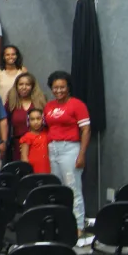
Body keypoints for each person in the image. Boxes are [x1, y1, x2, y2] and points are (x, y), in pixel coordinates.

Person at [44, 71, 91, 234]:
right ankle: (63, 223)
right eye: (55, 87)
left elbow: (86, 130)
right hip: (53, 149)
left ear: (68, 87)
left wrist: (82, 154)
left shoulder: (77, 105)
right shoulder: (49, 106)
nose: (58, 90)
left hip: (70, 149)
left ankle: (78, 226)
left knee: (72, 188)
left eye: (62, 87)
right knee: (58, 189)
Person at [5, 72, 47, 161]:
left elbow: (46, 124)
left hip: (38, 144)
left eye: (27, 84)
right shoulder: (11, 103)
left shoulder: (41, 102)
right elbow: (4, 123)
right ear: (16, 86)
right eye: (21, 84)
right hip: (18, 145)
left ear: (33, 86)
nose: (24, 87)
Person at [19, 109, 50, 175]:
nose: (36, 122)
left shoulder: (46, 134)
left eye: (38, 119)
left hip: (46, 167)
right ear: (28, 121)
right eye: (32, 119)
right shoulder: (27, 137)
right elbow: (24, 156)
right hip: (33, 169)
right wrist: (27, 171)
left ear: (43, 120)